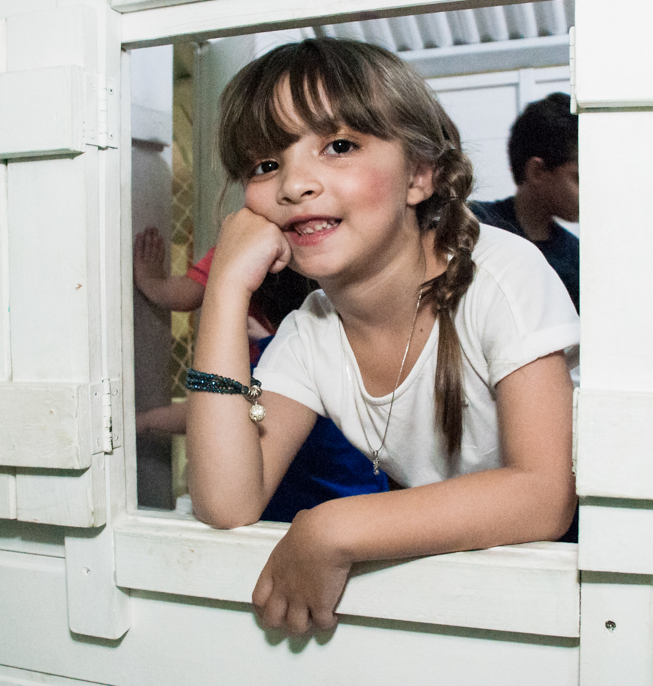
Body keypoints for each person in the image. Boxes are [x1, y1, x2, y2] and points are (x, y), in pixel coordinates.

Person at [185, 38, 579, 635]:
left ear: (419, 176)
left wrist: (332, 526)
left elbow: (544, 495)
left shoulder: (504, 273)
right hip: (460, 585)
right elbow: (227, 501)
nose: (295, 183)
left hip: (577, 581)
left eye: (339, 146)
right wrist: (224, 290)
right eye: (266, 164)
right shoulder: (310, 332)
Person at [132, 228, 387, 521]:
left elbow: (216, 412)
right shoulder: (303, 344)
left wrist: (155, 284)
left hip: (315, 505)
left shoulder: (289, 351)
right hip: (348, 499)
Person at [470, 92, 580, 311]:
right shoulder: (470, 227)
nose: (589, 191)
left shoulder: (574, 257)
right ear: (537, 171)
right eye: (578, 178)